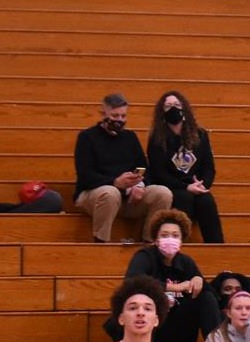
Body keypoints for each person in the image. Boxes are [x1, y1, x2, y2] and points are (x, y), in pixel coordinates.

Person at [74, 92, 175, 244]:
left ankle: (150, 243)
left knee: (163, 193)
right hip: (95, 194)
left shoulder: (130, 137)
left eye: (123, 116)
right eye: (115, 116)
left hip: (128, 197)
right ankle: (100, 242)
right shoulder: (87, 137)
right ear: (104, 113)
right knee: (110, 193)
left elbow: (143, 167)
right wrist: (114, 182)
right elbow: (85, 175)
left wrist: (139, 185)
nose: (120, 120)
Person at [126, 209, 223, 342]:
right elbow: (132, 281)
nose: (170, 239)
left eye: (175, 235)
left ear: (182, 240)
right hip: (153, 327)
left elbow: (211, 297)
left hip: (180, 328)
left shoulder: (186, 262)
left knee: (207, 297)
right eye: (164, 235)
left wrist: (199, 281)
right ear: (156, 239)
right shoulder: (145, 256)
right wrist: (172, 287)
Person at [146, 90, 224, 245]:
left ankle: (217, 247)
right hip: (173, 186)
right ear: (162, 112)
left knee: (206, 200)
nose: (173, 108)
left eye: (176, 104)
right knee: (184, 198)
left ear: (185, 108)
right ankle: (181, 246)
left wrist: (202, 185)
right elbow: (158, 173)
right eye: (168, 106)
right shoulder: (157, 138)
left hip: (196, 185)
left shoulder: (200, 134)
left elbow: (209, 167)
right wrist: (186, 187)